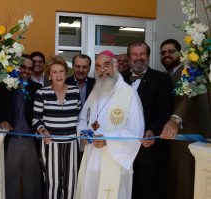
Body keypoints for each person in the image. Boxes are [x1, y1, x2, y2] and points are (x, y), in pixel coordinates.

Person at [75, 50, 144, 199]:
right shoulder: (95, 92)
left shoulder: (129, 93)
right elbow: (82, 120)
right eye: (98, 66)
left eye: (106, 65)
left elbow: (136, 130)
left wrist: (108, 140)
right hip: (91, 157)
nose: (102, 70)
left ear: (115, 66)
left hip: (115, 159)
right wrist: (83, 134)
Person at [123, 42, 173, 199]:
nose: (138, 58)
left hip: (150, 150)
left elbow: (165, 111)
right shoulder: (120, 79)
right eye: (134, 54)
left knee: (149, 191)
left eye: (142, 54)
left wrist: (152, 130)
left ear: (148, 56)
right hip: (124, 150)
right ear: (129, 58)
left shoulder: (162, 78)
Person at [0, 54, 42, 199]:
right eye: (23, 67)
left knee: (32, 179)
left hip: (31, 139)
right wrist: (0, 120)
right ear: (16, 67)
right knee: (10, 178)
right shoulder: (4, 86)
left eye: (30, 69)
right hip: (11, 139)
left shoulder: (37, 88)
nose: (26, 71)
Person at [33, 55, 81, 199]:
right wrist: (43, 130)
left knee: (71, 183)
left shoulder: (74, 91)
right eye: (54, 72)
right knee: (52, 183)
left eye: (61, 71)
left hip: (72, 143)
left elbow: (79, 117)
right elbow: (36, 119)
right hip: (50, 143)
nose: (58, 75)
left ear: (66, 73)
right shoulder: (42, 93)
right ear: (49, 74)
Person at [160, 39, 201, 199]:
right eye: (163, 53)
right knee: (171, 185)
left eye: (171, 51)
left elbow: (189, 98)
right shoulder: (165, 76)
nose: (167, 55)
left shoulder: (190, 71)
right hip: (168, 142)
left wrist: (175, 120)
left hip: (185, 141)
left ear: (180, 53)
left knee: (184, 187)